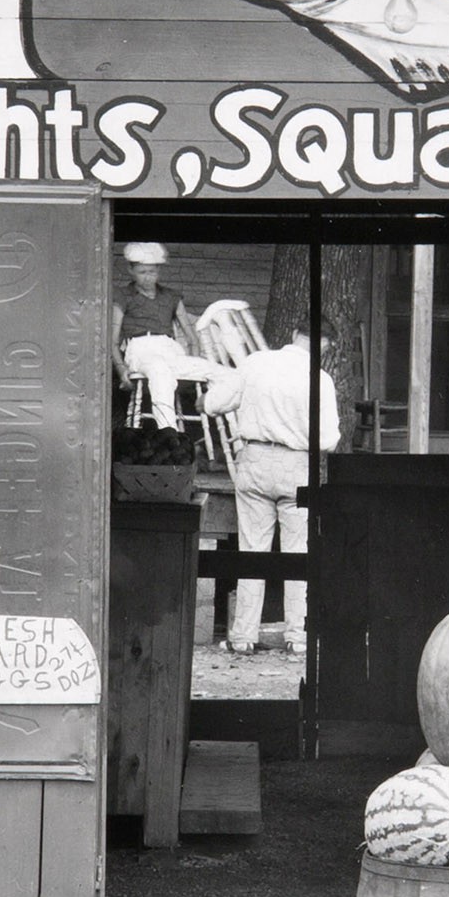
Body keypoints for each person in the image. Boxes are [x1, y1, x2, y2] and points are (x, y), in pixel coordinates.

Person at [206, 309, 341, 652]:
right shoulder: (320, 378)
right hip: (298, 465)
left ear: (296, 331)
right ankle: (298, 638)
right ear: (324, 344)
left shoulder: (256, 363)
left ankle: (243, 638)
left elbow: (215, 403)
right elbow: (329, 439)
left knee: (252, 550)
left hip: (255, 458)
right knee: (299, 553)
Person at [113, 241, 204, 432]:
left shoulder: (171, 296)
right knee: (159, 369)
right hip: (139, 348)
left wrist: (194, 366)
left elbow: (192, 338)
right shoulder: (123, 295)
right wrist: (122, 371)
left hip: (171, 349)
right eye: (142, 272)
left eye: (152, 272)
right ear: (131, 270)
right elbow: (112, 341)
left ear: (159, 271)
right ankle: (170, 432)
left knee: (218, 372)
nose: (148, 278)